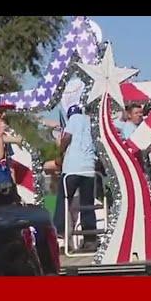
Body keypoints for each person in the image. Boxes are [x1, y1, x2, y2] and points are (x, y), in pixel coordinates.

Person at [52, 105, 97, 251]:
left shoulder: (74, 119)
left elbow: (67, 137)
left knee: (63, 201)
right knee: (87, 203)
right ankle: (90, 238)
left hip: (72, 168)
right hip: (89, 168)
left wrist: (59, 153)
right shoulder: (90, 121)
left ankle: (59, 237)